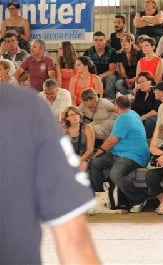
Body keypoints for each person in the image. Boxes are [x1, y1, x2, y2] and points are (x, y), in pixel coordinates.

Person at [0, 83, 100, 264]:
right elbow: (72, 237)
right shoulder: (26, 107)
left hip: (82, 159)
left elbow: (90, 150)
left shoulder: (29, 107)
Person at [89, 95, 150, 213]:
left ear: (116, 106)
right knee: (95, 164)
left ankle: (139, 199)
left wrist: (100, 150)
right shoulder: (133, 113)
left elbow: (112, 140)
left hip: (132, 155)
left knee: (115, 174)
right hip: (120, 153)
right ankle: (101, 199)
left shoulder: (123, 118)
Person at [84, 31, 118, 99]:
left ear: (105, 41)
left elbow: (112, 70)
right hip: (93, 76)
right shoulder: (88, 52)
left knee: (111, 78)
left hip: (107, 76)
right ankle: (91, 99)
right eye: (96, 40)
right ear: (93, 41)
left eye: (101, 40)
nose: (98, 42)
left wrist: (101, 76)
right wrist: (95, 77)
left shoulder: (111, 51)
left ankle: (109, 100)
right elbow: (85, 68)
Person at [61, 105, 95, 172]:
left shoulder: (87, 128)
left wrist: (79, 160)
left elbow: (90, 150)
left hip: (83, 157)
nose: (75, 116)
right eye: (72, 115)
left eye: (77, 114)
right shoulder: (63, 129)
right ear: (67, 118)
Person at [131, 71, 162, 139]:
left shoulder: (157, 92)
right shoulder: (140, 92)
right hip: (140, 118)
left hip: (152, 118)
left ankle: (145, 140)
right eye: (138, 83)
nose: (140, 84)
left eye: (143, 81)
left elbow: (156, 112)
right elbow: (134, 109)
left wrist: (141, 118)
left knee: (151, 120)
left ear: (150, 81)